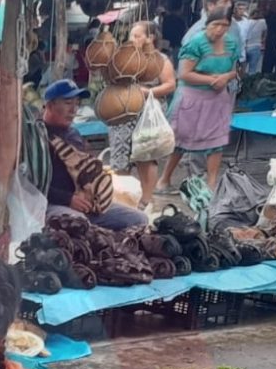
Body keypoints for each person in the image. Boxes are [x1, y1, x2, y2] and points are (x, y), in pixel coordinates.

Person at [40, 80, 147, 231]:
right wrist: (68, 199)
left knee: (139, 219)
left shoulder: (74, 133)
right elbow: (30, 184)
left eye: (77, 103)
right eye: (68, 103)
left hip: (87, 203)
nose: (73, 110)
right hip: (53, 204)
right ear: (50, 105)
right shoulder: (36, 136)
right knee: (79, 224)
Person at [161, 14, 240, 194]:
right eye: (216, 24)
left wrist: (225, 77)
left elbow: (235, 70)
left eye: (224, 25)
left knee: (217, 141)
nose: (219, 29)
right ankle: (164, 179)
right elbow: (184, 74)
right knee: (182, 140)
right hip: (192, 97)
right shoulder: (195, 43)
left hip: (218, 98)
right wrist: (211, 80)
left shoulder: (231, 43)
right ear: (207, 24)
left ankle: (211, 185)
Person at [105, 22, 177, 209]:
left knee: (146, 156)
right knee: (120, 158)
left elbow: (170, 85)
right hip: (123, 112)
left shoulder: (160, 60)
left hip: (147, 113)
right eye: (131, 35)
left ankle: (145, 200)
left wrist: (146, 92)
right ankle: (123, 199)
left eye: (136, 36)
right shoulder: (126, 57)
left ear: (150, 38)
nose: (132, 39)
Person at [238, 3, 268, 76]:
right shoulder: (263, 22)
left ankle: (242, 81)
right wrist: (262, 40)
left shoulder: (247, 22)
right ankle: (250, 81)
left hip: (245, 47)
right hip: (256, 46)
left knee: (242, 69)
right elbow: (265, 33)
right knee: (252, 69)